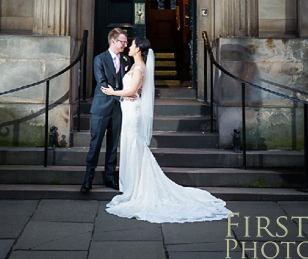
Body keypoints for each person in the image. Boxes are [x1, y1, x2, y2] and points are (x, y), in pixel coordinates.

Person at [101, 37, 231, 223]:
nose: (129, 47)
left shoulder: (139, 68)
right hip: (128, 110)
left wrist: (114, 92)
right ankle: (131, 185)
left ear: (138, 49)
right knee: (130, 145)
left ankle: (137, 188)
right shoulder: (132, 66)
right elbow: (133, 90)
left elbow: (131, 91)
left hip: (133, 112)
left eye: (132, 45)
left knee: (134, 145)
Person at [80, 28, 130, 193]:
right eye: (122, 41)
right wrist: (122, 96)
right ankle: (88, 180)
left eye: (126, 42)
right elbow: (102, 83)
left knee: (113, 144)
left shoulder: (125, 59)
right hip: (101, 108)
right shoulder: (99, 59)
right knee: (95, 144)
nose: (125, 44)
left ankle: (109, 177)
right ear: (113, 41)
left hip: (117, 109)